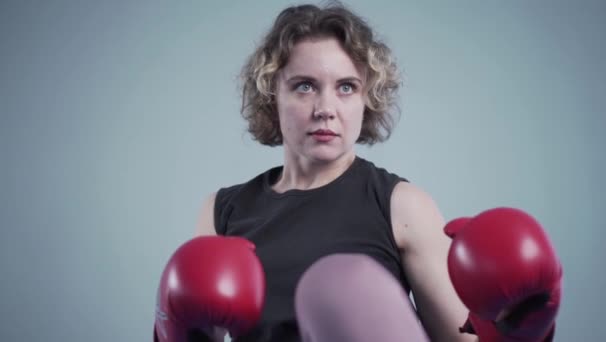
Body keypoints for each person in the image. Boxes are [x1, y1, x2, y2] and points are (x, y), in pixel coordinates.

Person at [154, 3, 561, 342]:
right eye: (304, 86)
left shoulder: (401, 204)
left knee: (339, 285)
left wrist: (522, 330)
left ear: (367, 99)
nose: (325, 108)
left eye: (346, 87)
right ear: (271, 95)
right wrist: (168, 326)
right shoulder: (221, 211)